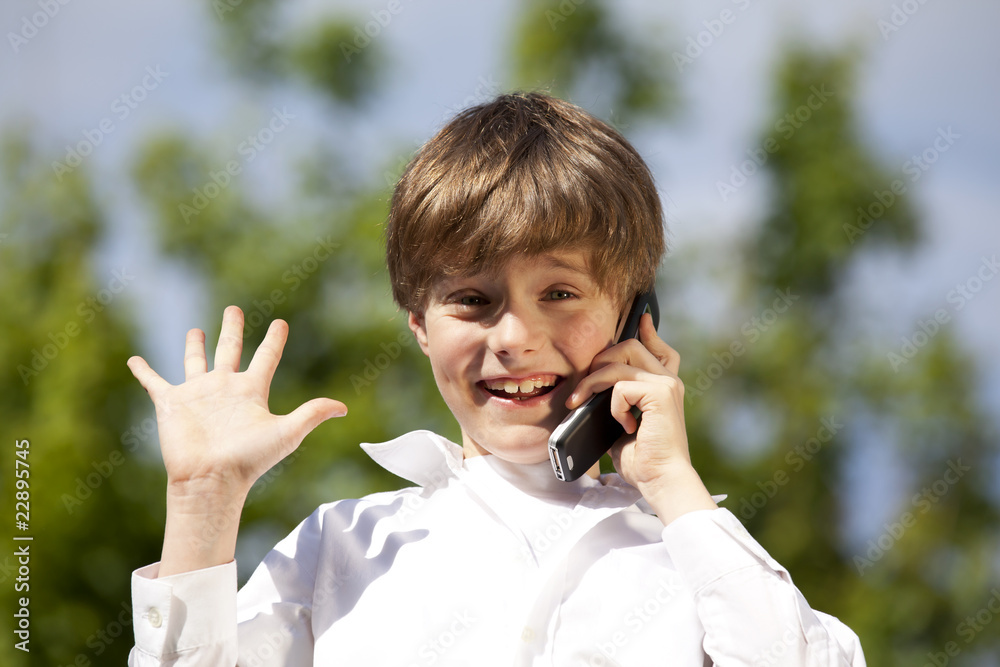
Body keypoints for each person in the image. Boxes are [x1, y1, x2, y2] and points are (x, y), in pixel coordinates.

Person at [126, 92, 865, 665]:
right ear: (419, 324)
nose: (514, 339)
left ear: (634, 318)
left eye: (561, 293)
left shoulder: (697, 556)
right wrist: (202, 501)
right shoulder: (340, 549)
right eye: (473, 300)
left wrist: (673, 485)